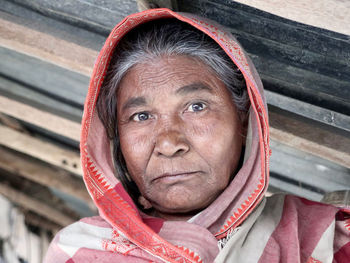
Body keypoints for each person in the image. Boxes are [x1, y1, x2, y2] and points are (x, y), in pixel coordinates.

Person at [44, 8, 350, 263]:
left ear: (245, 120)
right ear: (116, 140)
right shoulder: (78, 253)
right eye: (141, 116)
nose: (168, 143)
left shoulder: (321, 238)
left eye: (196, 106)